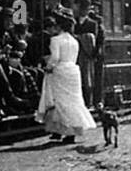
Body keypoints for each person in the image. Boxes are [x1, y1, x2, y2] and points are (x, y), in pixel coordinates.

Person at [34, 10, 96, 144]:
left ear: (59, 27)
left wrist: (49, 67)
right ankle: (71, 132)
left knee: (59, 101)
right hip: (73, 71)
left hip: (60, 70)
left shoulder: (55, 40)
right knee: (73, 101)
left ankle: (61, 130)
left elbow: (55, 57)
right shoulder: (75, 40)